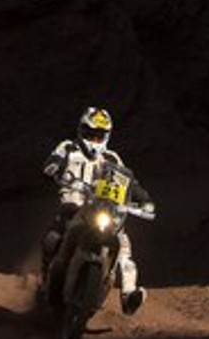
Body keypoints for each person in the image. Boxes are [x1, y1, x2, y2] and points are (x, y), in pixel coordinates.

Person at [39, 106, 154, 315]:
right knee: (53, 237)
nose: (93, 140)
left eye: (99, 136)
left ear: (107, 136)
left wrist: (145, 199)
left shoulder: (111, 159)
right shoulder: (68, 148)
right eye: (89, 134)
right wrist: (53, 167)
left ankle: (129, 295)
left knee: (124, 246)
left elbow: (129, 182)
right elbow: (53, 160)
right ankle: (48, 280)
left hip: (104, 209)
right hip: (73, 205)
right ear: (81, 131)